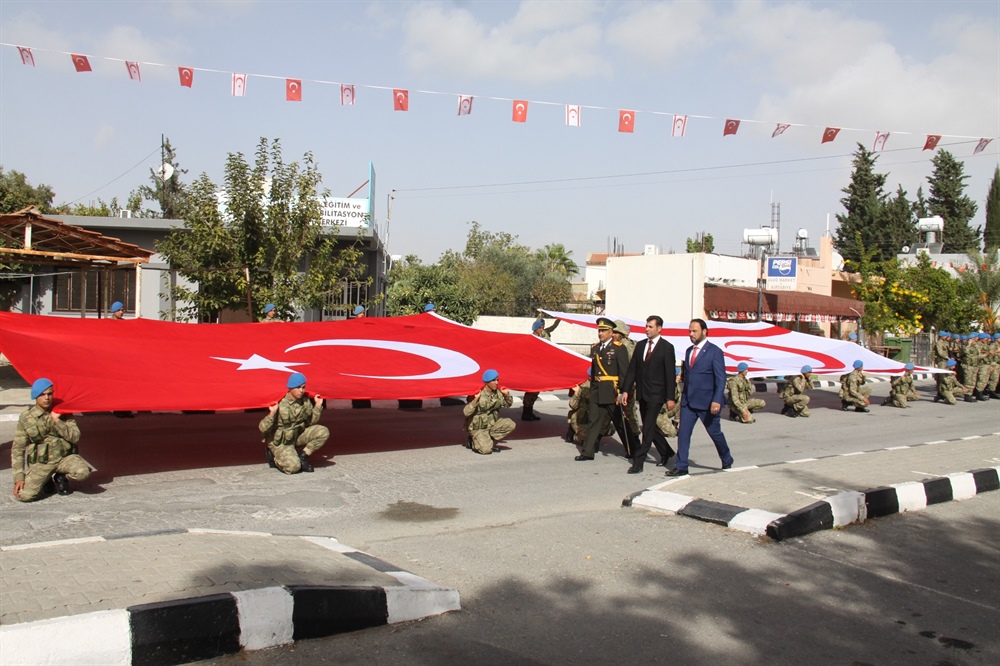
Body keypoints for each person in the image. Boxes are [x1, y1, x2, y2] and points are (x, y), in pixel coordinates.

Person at [668, 319, 734, 477]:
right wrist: (683, 402)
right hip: (689, 403)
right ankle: (681, 465)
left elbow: (720, 378)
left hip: (707, 403)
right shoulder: (689, 351)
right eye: (689, 331)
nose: (691, 334)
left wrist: (717, 399)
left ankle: (726, 458)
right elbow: (688, 379)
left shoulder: (714, 352)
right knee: (683, 433)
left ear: (705, 332)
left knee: (715, 433)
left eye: (694, 331)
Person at [12, 378, 91, 501]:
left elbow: (75, 437)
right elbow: (18, 448)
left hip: (65, 458)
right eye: (42, 395)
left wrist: (57, 421)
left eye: (49, 394)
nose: (47, 398)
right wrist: (19, 477)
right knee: (24, 496)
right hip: (42, 463)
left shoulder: (61, 412)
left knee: (82, 472)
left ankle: (61, 477)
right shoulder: (26, 418)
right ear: (35, 396)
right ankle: (46, 479)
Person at [620, 315, 677, 473]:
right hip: (643, 393)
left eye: (650, 327)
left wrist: (670, 397)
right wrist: (626, 390)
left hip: (657, 394)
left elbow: (669, 375)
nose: (647, 329)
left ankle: (639, 461)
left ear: (659, 328)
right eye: (646, 326)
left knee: (647, 427)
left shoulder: (666, 347)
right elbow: (633, 370)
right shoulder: (640, 345)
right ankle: (666, 452)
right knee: (650, 426)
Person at [575, 317, 633, 462]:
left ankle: (632, 449)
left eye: (603, 331)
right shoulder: (595, 348)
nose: (600, 333)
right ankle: (587, 452)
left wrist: (623, 392)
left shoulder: (619, 348)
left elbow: (624, 373)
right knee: (593, 421)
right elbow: (594, 372)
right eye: (599, 330)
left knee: (620, 422)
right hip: (597, 390)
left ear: (611, 332)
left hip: (612, 391)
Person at [259, 372, 329, 473]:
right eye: (298, 387)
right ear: (291, 388)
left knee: (323, 432)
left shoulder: (305, 401)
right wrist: (272, 414)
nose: (301, 390)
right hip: (280, 442)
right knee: (293, 468)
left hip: (296, 436)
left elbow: (310, 422)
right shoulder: (279, 402)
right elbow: (262, 428)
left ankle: (302, 457)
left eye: (303, 387)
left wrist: (317, 407)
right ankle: (274, 455)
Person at [463, 369, 515, 454]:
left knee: (510, 424)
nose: (496, 383)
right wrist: (475, 400)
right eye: (493, 380)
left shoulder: (498, 393)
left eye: (497, 380)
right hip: (479, 427)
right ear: (487, 382)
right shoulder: (478, 393)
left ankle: (487, 439)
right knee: (486, 450)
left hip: (492, 424)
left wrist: (507, 395)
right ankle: (472, 440)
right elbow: (466, 412)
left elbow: (508, 404)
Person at [521, 315, 561, 421]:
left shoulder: (544, 334)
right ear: (537, 328)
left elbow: (553, 327)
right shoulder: (532, 339)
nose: (543, 328)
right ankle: (526, 413)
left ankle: (530, 412)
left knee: (535, 391)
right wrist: (539, 315)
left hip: (540, 368)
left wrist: (559, 319)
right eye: (541, 326)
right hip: (532, 369)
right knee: (530, 391)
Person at [611, 320, 642, 447]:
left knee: (629, 413)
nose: (613, 334)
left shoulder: (627, 347)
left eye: (615, 332)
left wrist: (627, 387)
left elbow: (631, 367)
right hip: (614, 384)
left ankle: (635, 442)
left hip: (627, 386)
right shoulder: (614, 345)